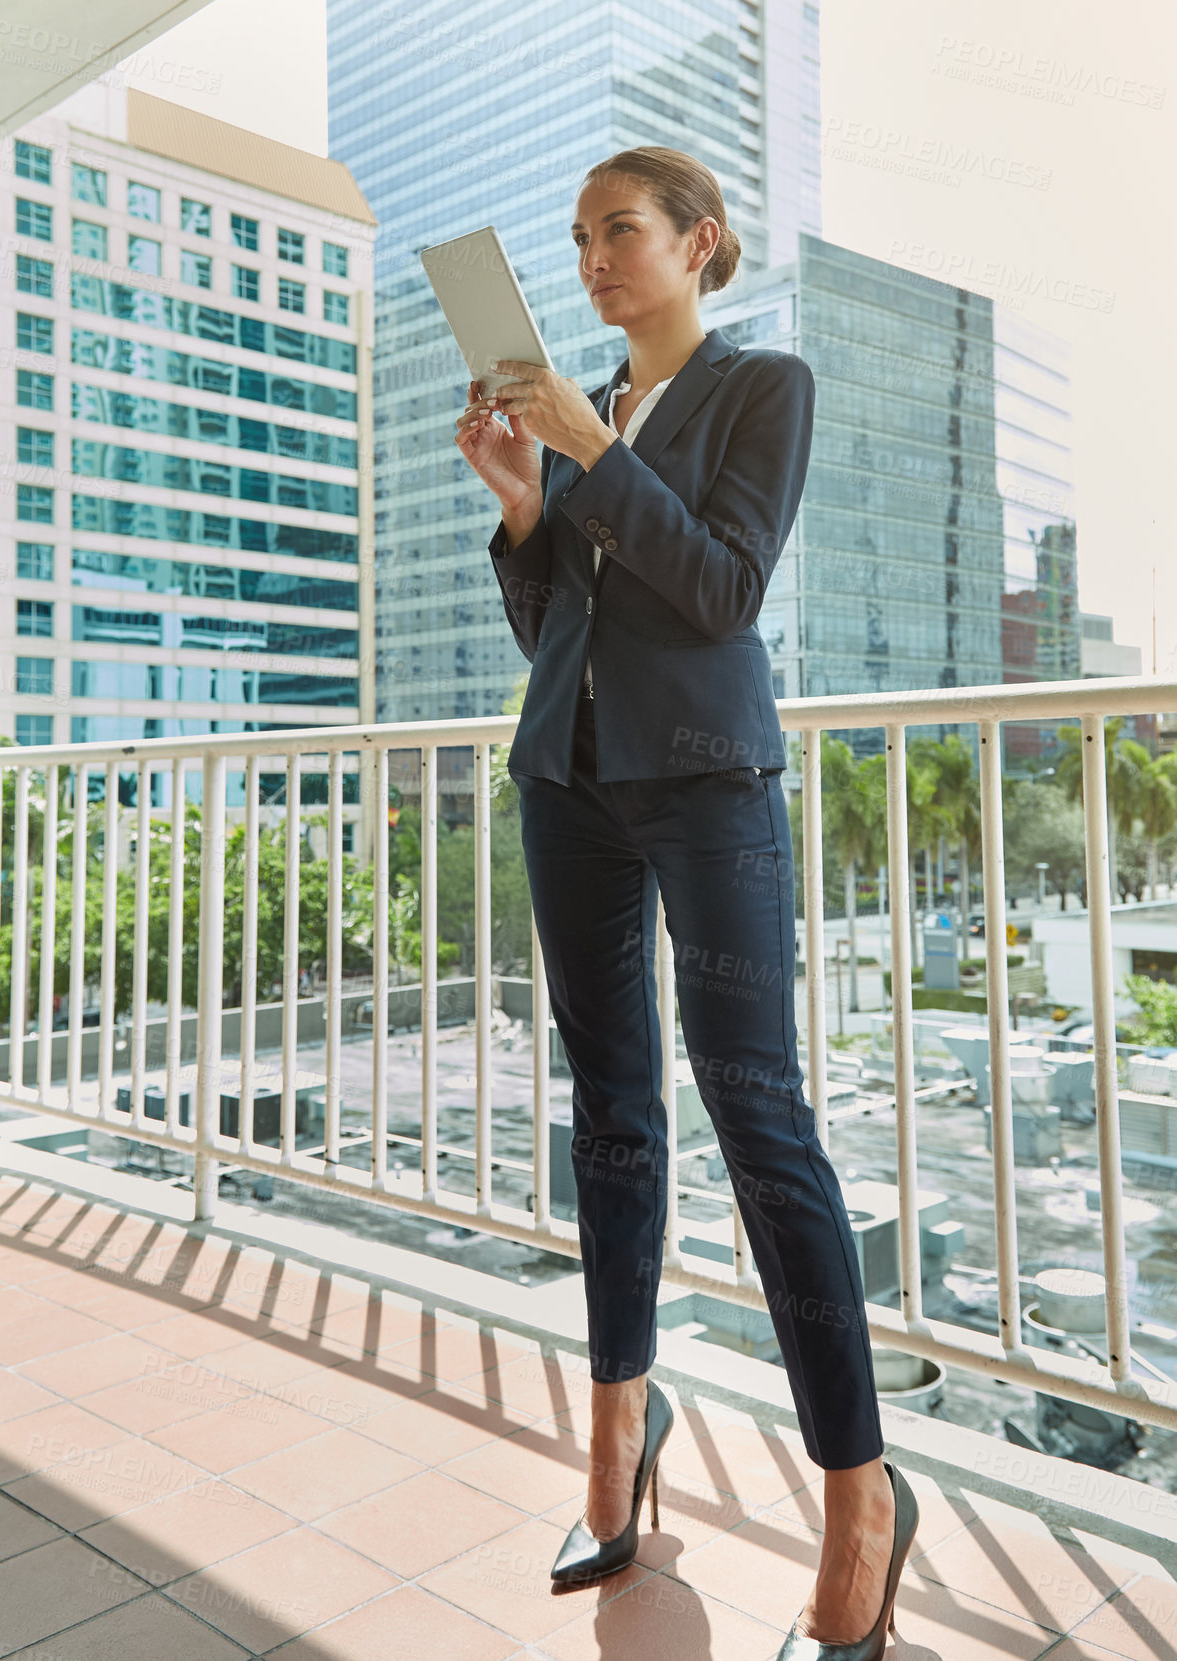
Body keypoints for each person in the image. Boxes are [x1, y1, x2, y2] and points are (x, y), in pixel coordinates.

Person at [455, 146, 917, 1657]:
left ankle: (860, 1505)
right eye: (579, 235)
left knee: (759, 1117)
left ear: (700, 242)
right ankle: (615, 1451)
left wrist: (594, 443)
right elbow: (557, 628)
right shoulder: (588, 418)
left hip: (709, 783)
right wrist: (530, 507)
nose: (594, 257)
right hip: (568, 778)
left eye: (622, 231)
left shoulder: (755, 386)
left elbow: (720, 590)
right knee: (610, 1115)